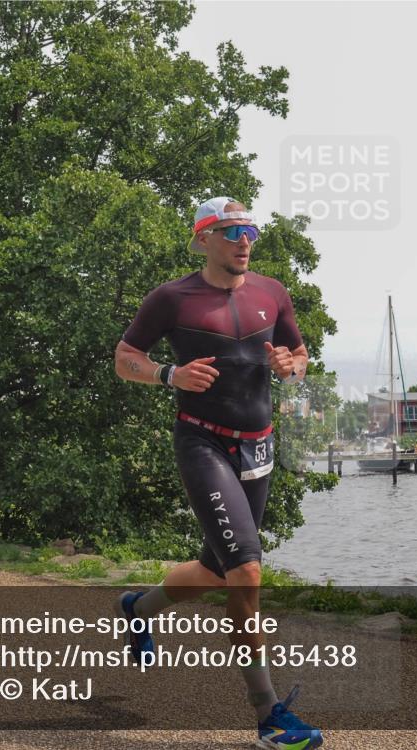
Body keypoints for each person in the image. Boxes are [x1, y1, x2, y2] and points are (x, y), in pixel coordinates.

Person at [114, 197, 320, 750]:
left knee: (214, 571)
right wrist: (168, 374)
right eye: (231, 232)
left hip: (259, 446)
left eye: (250, 231)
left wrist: (292, 368)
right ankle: (269, 716)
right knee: (246, 572)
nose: (244, 241)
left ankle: (138, 608)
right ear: (203, 239)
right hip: (203, 441)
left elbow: (300, 356)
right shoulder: (172, 298)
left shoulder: (272, 292)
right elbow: (125, 357)